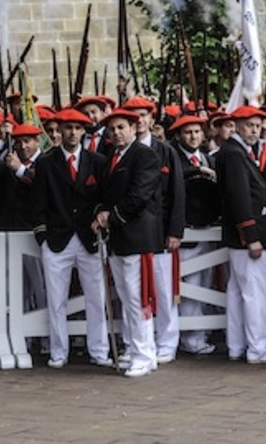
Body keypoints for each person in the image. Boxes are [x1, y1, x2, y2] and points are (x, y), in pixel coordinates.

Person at [31, 108, 112, 370]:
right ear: (59, 130)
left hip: (89, 237)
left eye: (78, 128)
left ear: (84, 131)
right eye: (68, 128)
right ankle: (58, 351)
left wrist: (101, 218)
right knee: (56, 300)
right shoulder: (46, 162)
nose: (73, 133)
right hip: (57, 239)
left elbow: (104, 198)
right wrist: (42, 235)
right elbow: (38, 202)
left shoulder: (97, 162)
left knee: (96, 298)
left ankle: (99, 350)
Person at [91, 108, 164, 377]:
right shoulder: (112, 156)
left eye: (122, 127)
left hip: (137, 234)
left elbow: (139, 195)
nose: (116, 133)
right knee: (125, 296)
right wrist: (101, 211)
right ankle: (136, 349)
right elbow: (105, 192)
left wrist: (112, 216)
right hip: (118, 237)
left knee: (138, 298)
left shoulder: (145, 155)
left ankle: (144, 354)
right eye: (112, 129)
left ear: (134, 128)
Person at [215, 106, 266, 364]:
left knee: (238, 290)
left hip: (243, 233)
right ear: (237, 125)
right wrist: (251, 235)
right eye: (249, 125)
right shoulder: (234, 154)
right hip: (249, 233)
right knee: (254, 292)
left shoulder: (235, 152)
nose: (254, 130)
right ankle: (257, 347)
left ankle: (237, 345)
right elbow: (240, 196)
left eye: (257, 125)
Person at [123, 96, 185, 365]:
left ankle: (167, 341)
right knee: (134, 294)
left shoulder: (165, 151)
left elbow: (176, 192)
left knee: (163, 289)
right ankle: (135, 343)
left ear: (150, 119)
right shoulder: (122, 150)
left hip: (160, 232)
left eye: (143, 115)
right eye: (133, 116)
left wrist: (175, 231)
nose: (139, 121)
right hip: (134, 234)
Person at [169, 114, 219, 356]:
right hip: (186, 233)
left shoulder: (208, 158)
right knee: (189, 286)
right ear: (179, 136)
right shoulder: (174, 158)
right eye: (188, 132)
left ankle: (200, 333)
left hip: (207, 231)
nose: (193, 137)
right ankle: (191, 339)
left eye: (197, 132)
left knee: (205, 283)